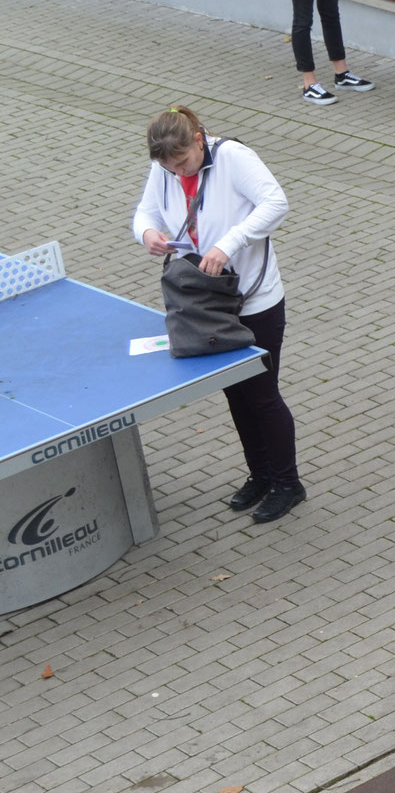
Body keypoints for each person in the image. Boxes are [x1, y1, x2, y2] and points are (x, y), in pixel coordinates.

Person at [132, 106, 305, 523]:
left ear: (198, 139)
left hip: (254, 300)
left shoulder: (233, 158)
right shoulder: (166, 168)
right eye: (169, 168)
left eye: (183, 163)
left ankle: (288, 483)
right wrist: (148, 234)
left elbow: (275, 203)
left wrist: (229, 243)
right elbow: (145, 212)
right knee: (235, 392)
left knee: (262, 395)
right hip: (207, 302)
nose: (177, 172)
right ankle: (260, 475)